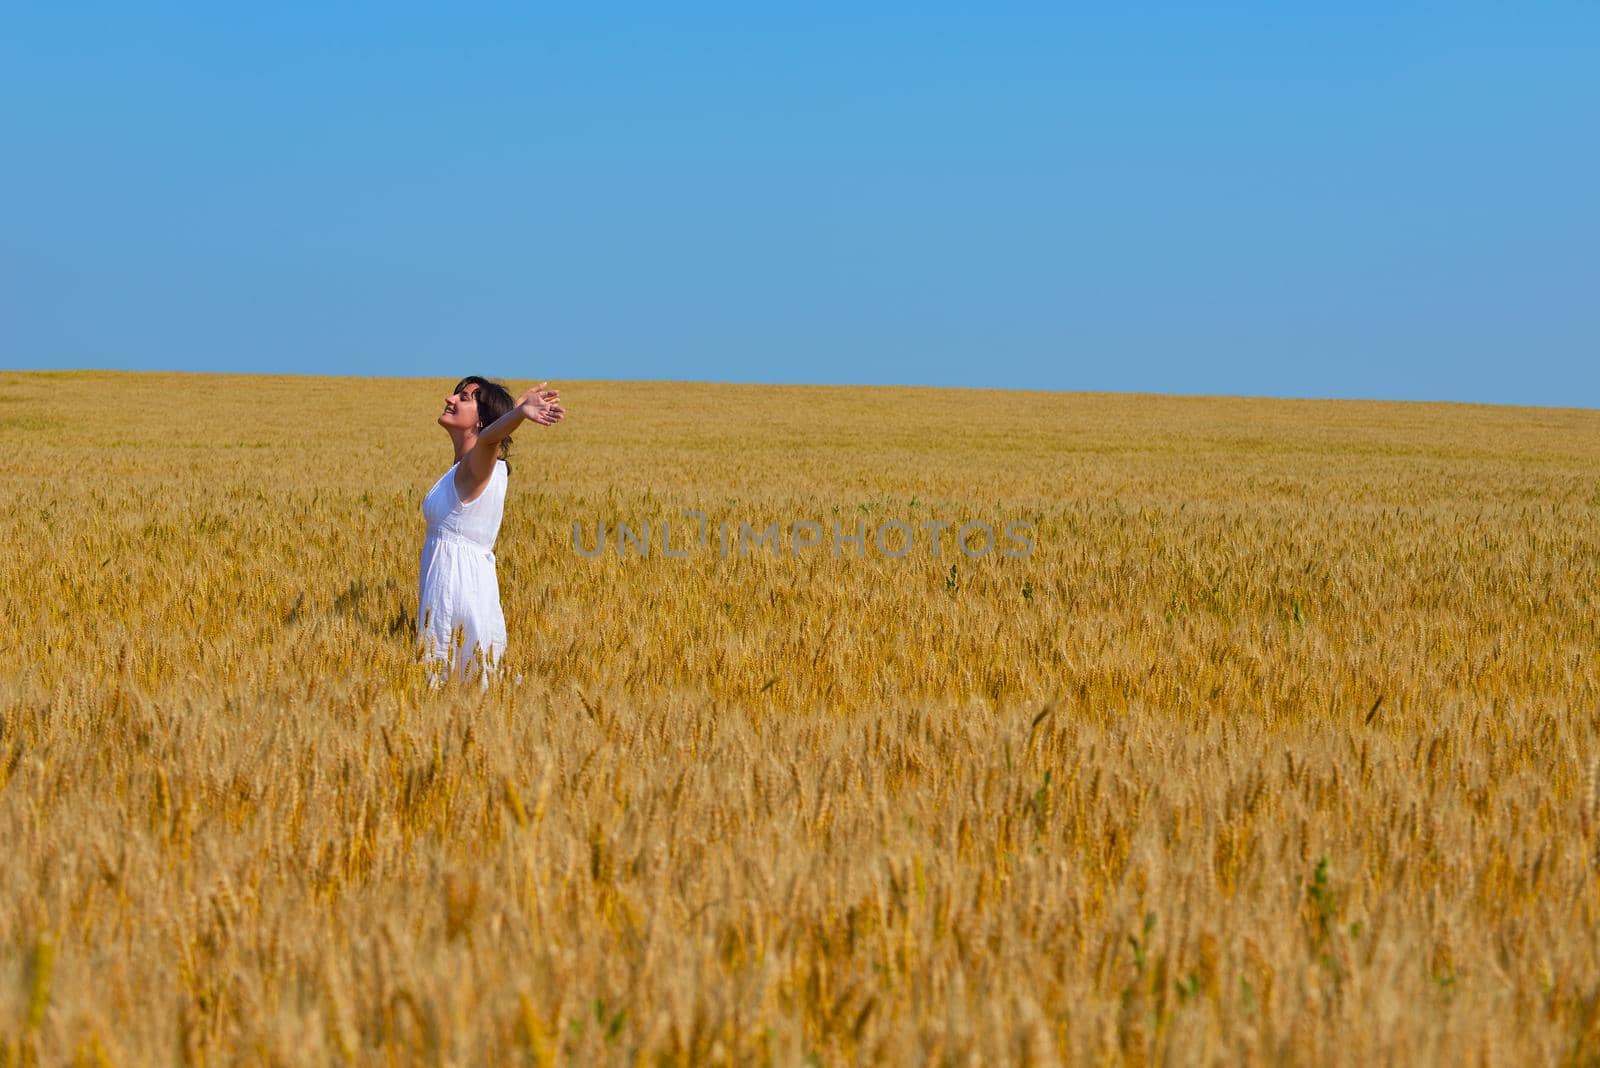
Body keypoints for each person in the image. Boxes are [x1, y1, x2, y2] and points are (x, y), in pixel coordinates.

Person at [418, 376, 565, 685]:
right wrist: (515, 409)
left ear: (482, 421)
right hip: (460, 582)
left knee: (454, 679)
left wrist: (517, 415)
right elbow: (487, 435)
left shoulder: (478, 466)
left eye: (465, 398)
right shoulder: (472, 466)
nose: (451, 398)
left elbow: (487, 439)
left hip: (456, 588)